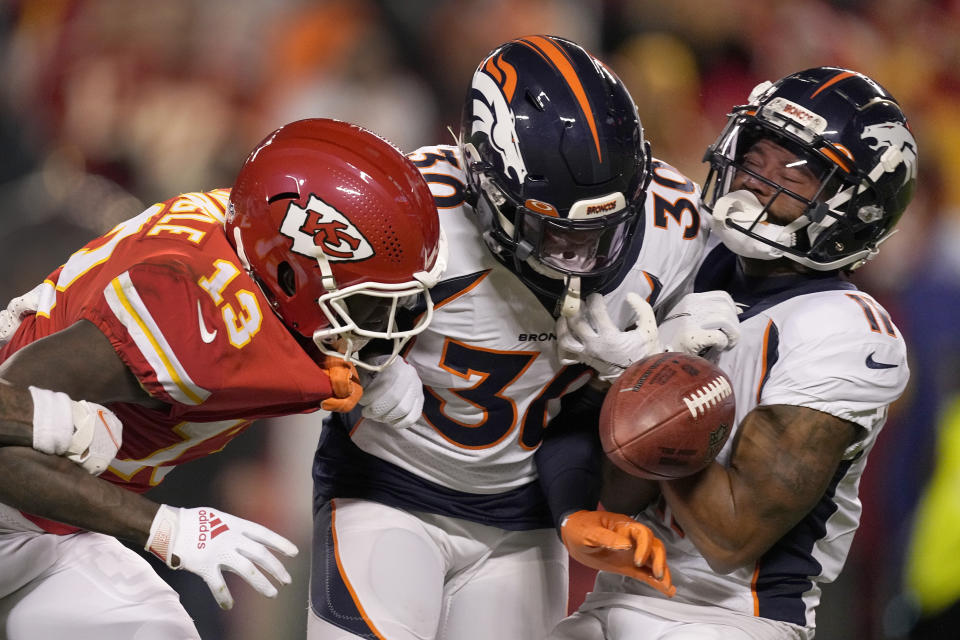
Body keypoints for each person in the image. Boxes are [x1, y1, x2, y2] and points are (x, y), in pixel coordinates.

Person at [307, 35, 740, 640]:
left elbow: (582, 410)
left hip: (524, 519)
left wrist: (649, 370)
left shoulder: (676, 225)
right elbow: (293, 318)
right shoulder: (411, 212)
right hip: (389, 491)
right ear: (483, 184)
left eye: (603, 229)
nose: (580, 255)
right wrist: (365, 366)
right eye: (554, 229)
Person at [0, 117, 446, 639]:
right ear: (289, 274)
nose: (389, 327)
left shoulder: (249, 231)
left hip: (54, 526)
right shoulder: (197, 315)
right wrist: (165, 529)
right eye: (368, 305)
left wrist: (369, 369)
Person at [548, 66, 918, 639]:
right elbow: (614, 497)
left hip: (732, 618)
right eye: (755, 157)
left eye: (796, 174)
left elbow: (730, 534)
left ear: (856, 208)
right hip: (616, 595)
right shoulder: (687, 257)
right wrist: (613, 385)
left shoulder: (845, 329)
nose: (756, 182)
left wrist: (654, 376)